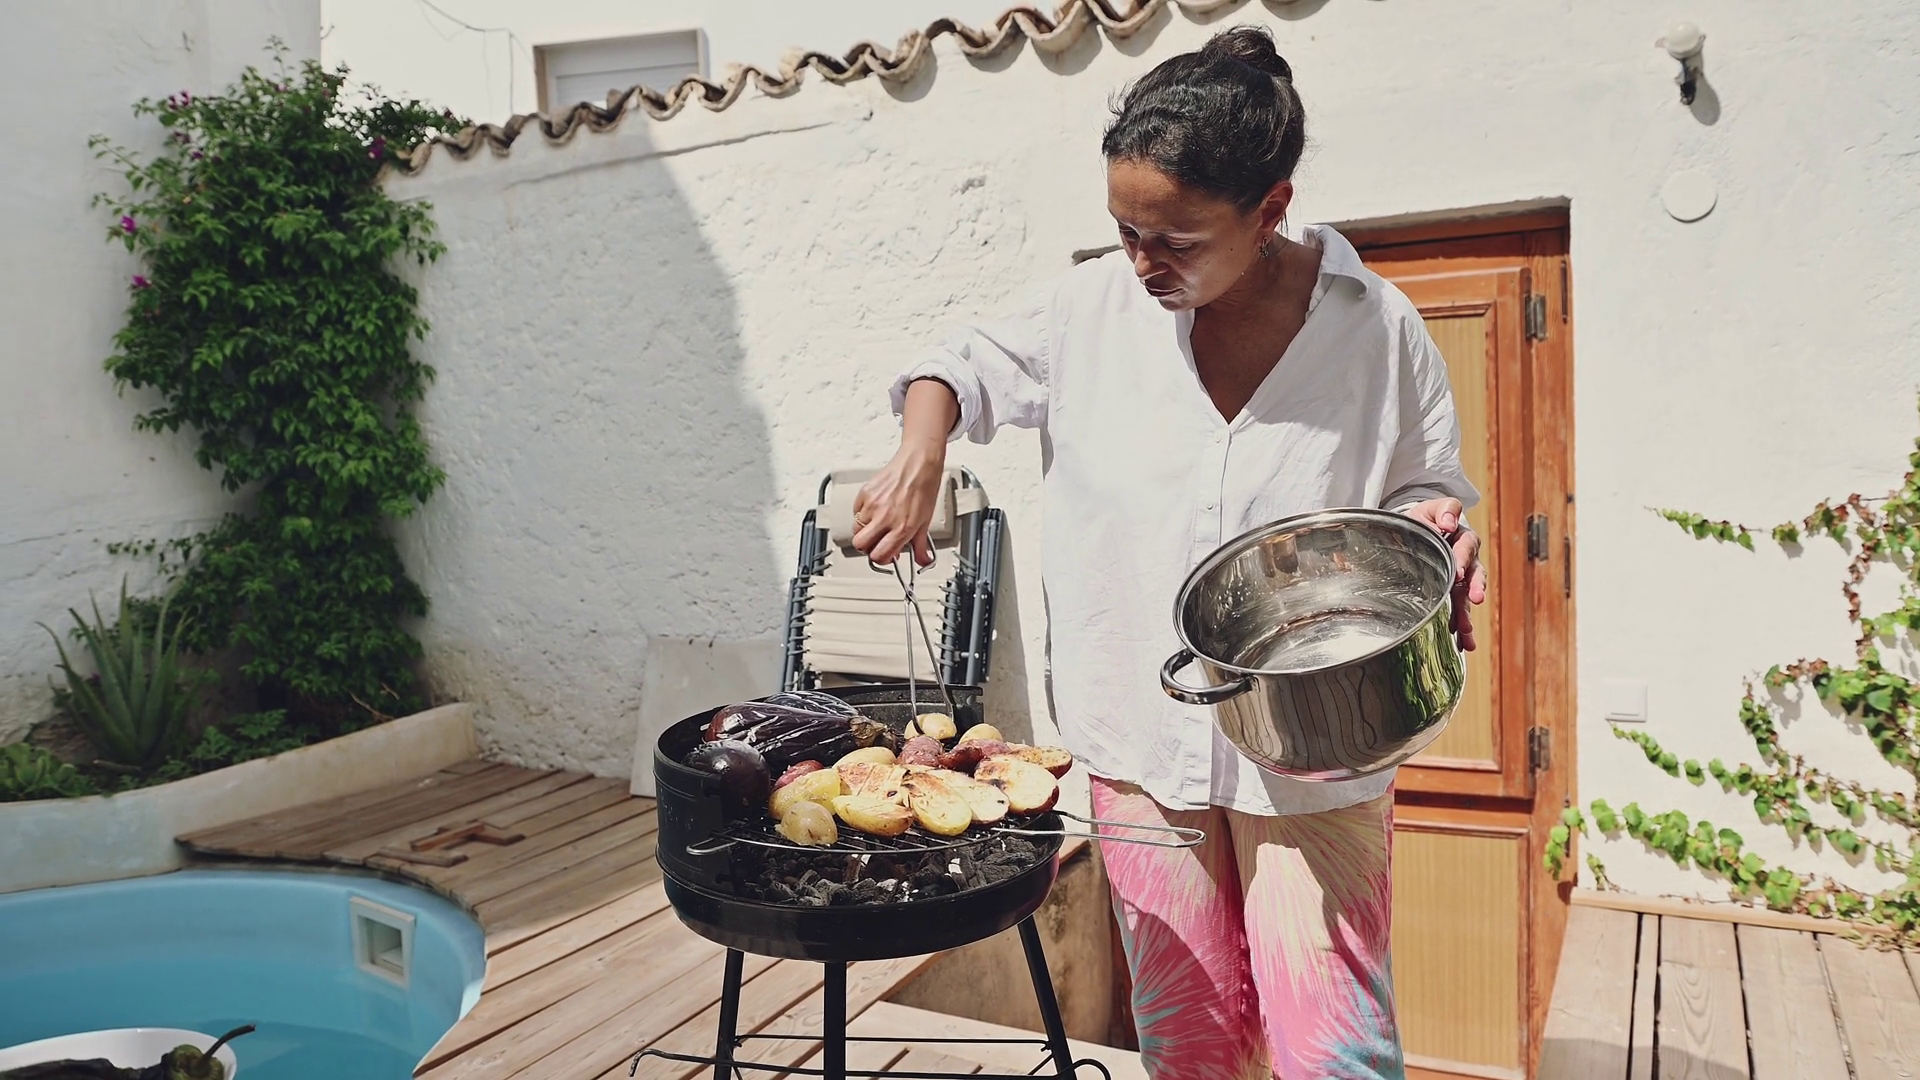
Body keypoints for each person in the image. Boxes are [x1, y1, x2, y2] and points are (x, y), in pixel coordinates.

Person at [850, 25, 1484, 1080]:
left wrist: (1437, 532)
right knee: (1186, 1037)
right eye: (1125, 230)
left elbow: (1426, 483)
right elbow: (954, 366)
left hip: (1319, 739)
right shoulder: (1091, 307)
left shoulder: (1376, 327)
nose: (1142, 262)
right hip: (1140, 743)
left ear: (1271, 210)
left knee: (1336, 1049)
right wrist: (922, 450)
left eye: (1176, 242)